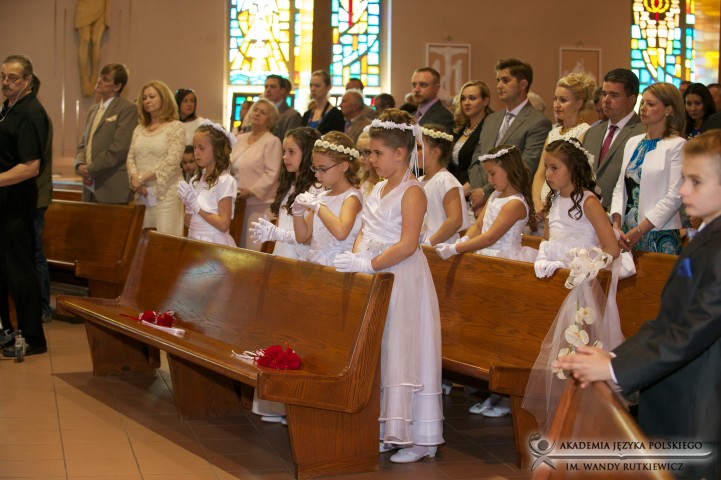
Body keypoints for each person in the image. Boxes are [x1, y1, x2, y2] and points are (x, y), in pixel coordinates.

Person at [554, 131, 721, 480]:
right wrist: (613, 357)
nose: (682, 191)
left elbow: (694, 328)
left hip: (701, 398)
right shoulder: (707, 235)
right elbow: (667, 322)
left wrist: (615, 369)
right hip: (677, 391)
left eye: (695, 181)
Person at [333, 109, 443, 464]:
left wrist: (369, 263)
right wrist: (355, 257)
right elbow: (366, 230)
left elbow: (408, 244)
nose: (371, 159)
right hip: (377, 275)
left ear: (400, 153)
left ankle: (420, 438)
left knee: (405, 349)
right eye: (369, 153)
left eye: (377, 153)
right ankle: (389, 428)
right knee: (382, 350)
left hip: (402, 277)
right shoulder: (379, 188)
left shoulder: (413, 192)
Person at [522, 138, 621, 430]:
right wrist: (545, 259)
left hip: (581, 288)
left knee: (576, 351)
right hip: (555, 284)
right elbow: (549, 241)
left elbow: (611, 249)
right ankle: (561, 418)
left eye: (555, 168)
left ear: (574, 169)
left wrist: (583, 265)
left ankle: (582, 419)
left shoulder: (588, 202)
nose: (548, 174)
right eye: (546, 167)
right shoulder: (555, 201)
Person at [0, 54, 49, 357]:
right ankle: (5, 330)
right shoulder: (8, 108)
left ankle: (33, 337)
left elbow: (31, 166)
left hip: (16, 203)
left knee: (20, 272)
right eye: (3, 76)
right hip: (3, 201)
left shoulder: (31, 113)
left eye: (13, 78)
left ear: (28, 80)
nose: (6, 82)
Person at [468, 58, 552, 217]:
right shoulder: (491, 119)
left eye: (505, 80)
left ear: (523, 84)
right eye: (498, 80)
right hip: (478, 201)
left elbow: (526, 167)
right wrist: (477, 192)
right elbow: (476, 160)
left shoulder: (538, 122)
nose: (499, 86)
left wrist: (486, 192)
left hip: (511, 203)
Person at [610, 82, 686, 255]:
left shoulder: (677, 145)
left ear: (669, 110)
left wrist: (639, 230)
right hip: (626, 233)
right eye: (642, 102)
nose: (643, 108)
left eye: (650, 104)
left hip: (659, 232)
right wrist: (616, 225)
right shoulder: (633, 142)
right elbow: (620, 187)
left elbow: (675, 196)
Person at [435, 144, 536, 263]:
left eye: (492, 174)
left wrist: (455, 249)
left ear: (509, 169)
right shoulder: (495, 195)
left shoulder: (515, 203)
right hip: (485, 253)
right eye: (487, 175)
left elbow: (490, 238)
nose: (489, 180)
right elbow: (478, 226)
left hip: (504, 259)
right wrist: (464, 240)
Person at [291, 131, 363, 266]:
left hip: (336, 269)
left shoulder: (351, 197)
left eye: (322, 169)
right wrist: (298, 212)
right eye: (315, 168)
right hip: (315, 266)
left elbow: (341, 232)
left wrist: (318, 206)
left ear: (343, 166)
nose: (317, 175)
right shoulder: (322, 197)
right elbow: (302, 237)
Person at [126, 80, 186, 235]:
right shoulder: (139, 129)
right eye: (144, 98)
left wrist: (142, 177)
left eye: (152, 97)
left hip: (166, 195)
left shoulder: (176, 127)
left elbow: (172, 161)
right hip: (143, 194)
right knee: (141, 240)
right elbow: (130, 157)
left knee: (165, 240)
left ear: (164, 98)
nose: (147, 101)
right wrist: (135, 179)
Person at [531, 72, 595, 217]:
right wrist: (536, 201)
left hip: (566, 204)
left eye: (563, 100)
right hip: (543, 205)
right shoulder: (553, 133)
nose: (557, 105)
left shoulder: (585, 132)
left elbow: (575, 176)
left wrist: (551, 203)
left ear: (578, 104)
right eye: (555, 99)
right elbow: (540, 172)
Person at [583, 69, 645, 211]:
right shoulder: (592, 133)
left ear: (631, 100)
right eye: (604, 94)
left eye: (614, 95)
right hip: (587, 213)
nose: (606, 100)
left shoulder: (643, 133)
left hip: (622, 215)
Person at [75, 63, 137, 204]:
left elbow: (119, 149)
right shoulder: (93, 110)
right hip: (90, 187)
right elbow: (84, 143)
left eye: (105, 79)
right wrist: (79, 164)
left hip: (112, 186)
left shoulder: (127, 108)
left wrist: (90, 169)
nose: (99, 81)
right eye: (100, 77)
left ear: (117, 86)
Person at [230, 98, 283, 249]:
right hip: (236, 202)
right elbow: (230, 165)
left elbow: (272, 173)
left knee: (252, 247)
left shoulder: (272, 141)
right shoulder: (240, 138)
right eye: (256, 110)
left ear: (270, 120)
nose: (257, 114)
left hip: (259, 205)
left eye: (263, 112)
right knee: (235, 245)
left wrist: (251, 191)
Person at [177, 121, 237, 247]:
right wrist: (189, 206)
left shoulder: (225, 181)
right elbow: (188, 223)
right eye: (194, 147)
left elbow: (224, 225)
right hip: (194, 239)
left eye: (201, 148)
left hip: (214, 243)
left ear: (217, 150)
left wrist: (197, 207)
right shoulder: (195, 180)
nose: (196, 153)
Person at [418, 124, 469, 246]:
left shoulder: (445, 180)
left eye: (419, 147)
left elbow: (455, 220)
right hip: (421, 244)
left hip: (439, 246)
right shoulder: (419, 181)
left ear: (435, 152)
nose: (413, 152)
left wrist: (429, 244)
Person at [452, 80, 492, 187]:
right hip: (454, 185)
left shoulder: (490, 128)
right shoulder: (460, 128)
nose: (466, 102)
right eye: (463, 98)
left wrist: (462, 191)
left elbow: (485, 166)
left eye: (472, 98)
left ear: (485, 101)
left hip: (474, 188)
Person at [75, 0, 108, 97]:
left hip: (100, 3)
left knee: (96, 41)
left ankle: (94, 80)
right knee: (84, 40)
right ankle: (85, 82)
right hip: (83, 4)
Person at [411, 67, 454, 132]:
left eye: (423, 85)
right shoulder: (411, 116)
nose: (416, 89)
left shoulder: (444, 117)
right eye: (414, 85)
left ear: (436, 88)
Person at [301, 70, 344, 134]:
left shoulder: (336, 115)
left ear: (328, 88)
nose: (313, 89)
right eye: (311, 85)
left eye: (317, 86)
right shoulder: (307, 115)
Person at [264, 74, 302, 140]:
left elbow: (290, 142)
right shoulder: (259, 111)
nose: (268, 90)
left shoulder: (292, 115)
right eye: (266, 87)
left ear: (282, 90)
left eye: (272, 87)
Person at [356, 130, 380, 199]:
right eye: (360, 152)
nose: (361, 158)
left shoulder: (382, 183)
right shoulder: (359, 180)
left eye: (366, 152)